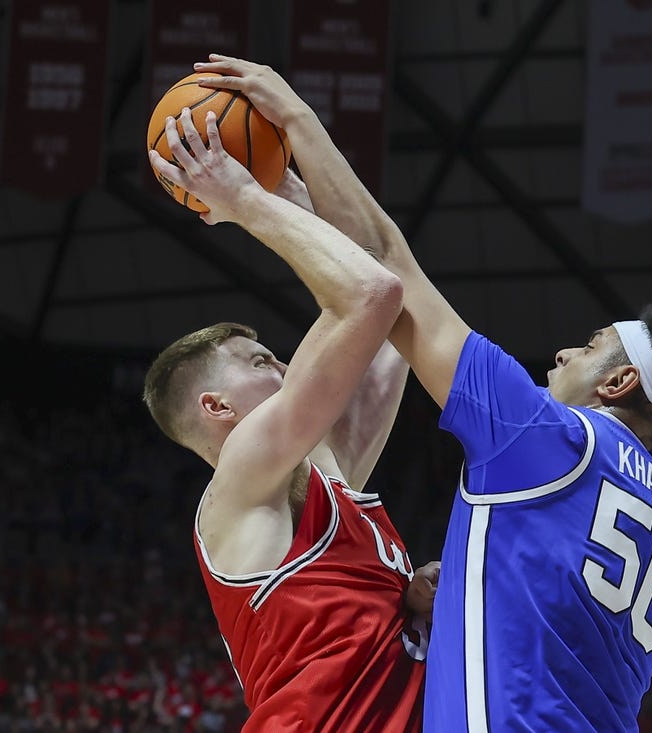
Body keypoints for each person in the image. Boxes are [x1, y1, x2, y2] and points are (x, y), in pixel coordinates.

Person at [190, 55, 652, 732]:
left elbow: (387, 267)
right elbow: (550, 628)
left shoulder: (547, 440)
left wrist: (293, 119)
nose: (562, 354)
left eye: (588, 348)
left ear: (619, 383)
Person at [145, 100, 431, 731]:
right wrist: (244, 199)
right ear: (217, 408)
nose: (282, 367)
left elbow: (397, 310)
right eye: (260, 362)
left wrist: (290, 200)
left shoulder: (328, 474)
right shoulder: (242, 477)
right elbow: (371, 298)